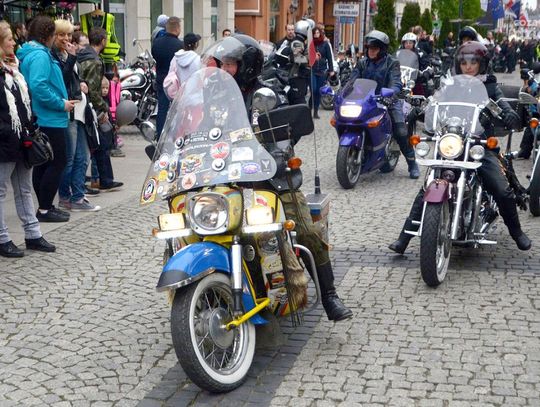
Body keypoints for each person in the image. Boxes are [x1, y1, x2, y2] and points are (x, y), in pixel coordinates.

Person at [206, 36, 353, 321]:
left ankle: (329, 296)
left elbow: (287, 133)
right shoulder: (216, 97)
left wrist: (275, 150)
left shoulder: (268, 93)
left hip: (271, 178)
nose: (224, 70)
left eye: (230, 64)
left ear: (247, 65)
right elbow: (200, 131)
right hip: (226, 177)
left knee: (307, 231)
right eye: (222, 64)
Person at [389, 41, 531, 254]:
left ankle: (516, 232)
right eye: (464, 63)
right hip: (452, 141)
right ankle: (404, 237)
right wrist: (419, 109)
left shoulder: (489, 86)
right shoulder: (450, 85)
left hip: (478, 144)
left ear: (482, 64)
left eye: (474, 62)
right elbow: (434, 100)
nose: (469, 67)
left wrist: (508, 112)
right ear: (458, 64)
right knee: (428, 185)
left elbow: (499, 101)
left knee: (501, 189)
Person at [0, 20, 56, 256]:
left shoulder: (13, 69)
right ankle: (2, 238)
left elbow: (24, 103)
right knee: (1, 191)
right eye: (9, 39)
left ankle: (33, 234)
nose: (14, 42)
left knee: (24, 189)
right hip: (5, 141)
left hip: (22, 138)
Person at [18, 15, 77, 223]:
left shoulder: (33, 52)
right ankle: (44, 208)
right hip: (49, 117)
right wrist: (61, 104)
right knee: (57, 162)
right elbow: (38, 85)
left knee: (44, 163)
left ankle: (46, 206)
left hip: (44, 116)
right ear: (49, 35)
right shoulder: (40, 55)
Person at [352, 30, 420, 179]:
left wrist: (390, 93)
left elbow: (396, 82)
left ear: (382, 49)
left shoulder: (392, 63)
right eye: (369, 48)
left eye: (375, 48)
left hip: (387, 99)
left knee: (400, 131)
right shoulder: (362, 63)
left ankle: (412, 163)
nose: (371, 51)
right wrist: (341, 93)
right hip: (366, 100)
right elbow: (351, 80)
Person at [52, 19, 100, 212]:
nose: (66, 38)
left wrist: (80, 82)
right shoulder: (55, 56)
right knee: (71, 158)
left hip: (79, 111)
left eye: (68, 34)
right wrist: (72, 59)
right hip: (69, 112)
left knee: (83, 156)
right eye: (61, 34)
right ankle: (66, 197)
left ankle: (78, 197)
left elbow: (71, 77)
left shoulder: (67, 54)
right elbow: (61, 80)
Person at [78, 27, 123, 191]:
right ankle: (105, 180)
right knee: (100, 143)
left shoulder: (83, 56)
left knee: (94, 145)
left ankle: (102, 179)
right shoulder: (94, 61)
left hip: (84, 106)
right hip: (90, 108)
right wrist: (103, 109)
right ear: (103, 41)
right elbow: (94, 89)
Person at [152, 16, 184, 138]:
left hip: (161, 80)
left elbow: (155, 57)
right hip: (176, 82)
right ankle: (176, 135)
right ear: (177, 28)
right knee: (178, 110)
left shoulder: (157, 43)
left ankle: (160, 135)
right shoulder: (180, 45)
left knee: (162, 110)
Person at [311, 26, 335, 119]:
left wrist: (331, 70)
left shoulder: (325, 44)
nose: (316, 35)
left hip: (322, 71)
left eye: (317, 33)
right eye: (314, 33)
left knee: (318, 91)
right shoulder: (311, 44)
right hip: (313, 70)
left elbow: (329, 58)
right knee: (313, 89)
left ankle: (315, 112)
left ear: (320, 34)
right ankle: (310, 105)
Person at [166, 32, 201, 98]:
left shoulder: (176, 58)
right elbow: (201, 79)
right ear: (195, 45)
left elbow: (170, 74)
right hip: (195, 97)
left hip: (179, 97)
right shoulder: (197, 60)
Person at [518, 61, 540, 160]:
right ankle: (525, 150)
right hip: (536, 110)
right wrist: (529, 87)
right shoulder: (535, 80)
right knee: (532, 123)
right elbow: (530, 89)